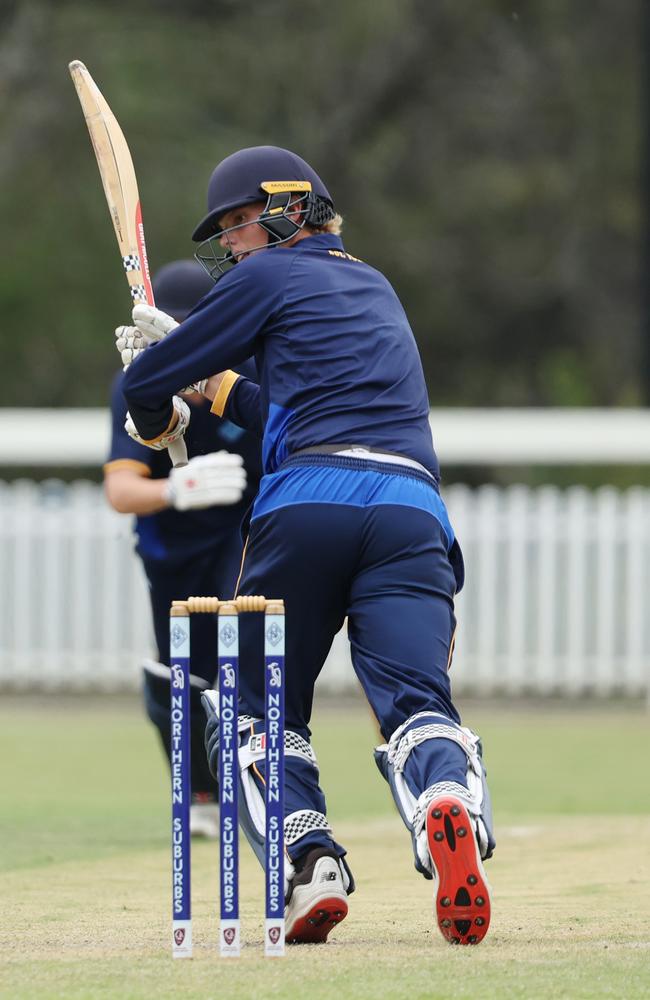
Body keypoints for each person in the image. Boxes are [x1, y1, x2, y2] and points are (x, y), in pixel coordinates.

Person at [120, 146, 495, 945]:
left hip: (311, 505)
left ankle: (307, 861)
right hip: (409, 509)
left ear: (287, 208)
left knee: (252, 706)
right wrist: (206, 385)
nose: (233, 246)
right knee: (417, 703)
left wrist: (158, 410)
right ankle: (445, 803)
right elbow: (289, 407)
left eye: (240, 225)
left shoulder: (263, 277)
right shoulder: (372, 284)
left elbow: (140, 387)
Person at [104, 259, 262, 838]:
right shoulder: (136, 381)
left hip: (239, 536)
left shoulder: (243, 374)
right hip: (169, 545)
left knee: (239, 662)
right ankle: (196, 790)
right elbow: (120, 489)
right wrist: (174, 487)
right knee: (180, 674)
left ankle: (251, 783)